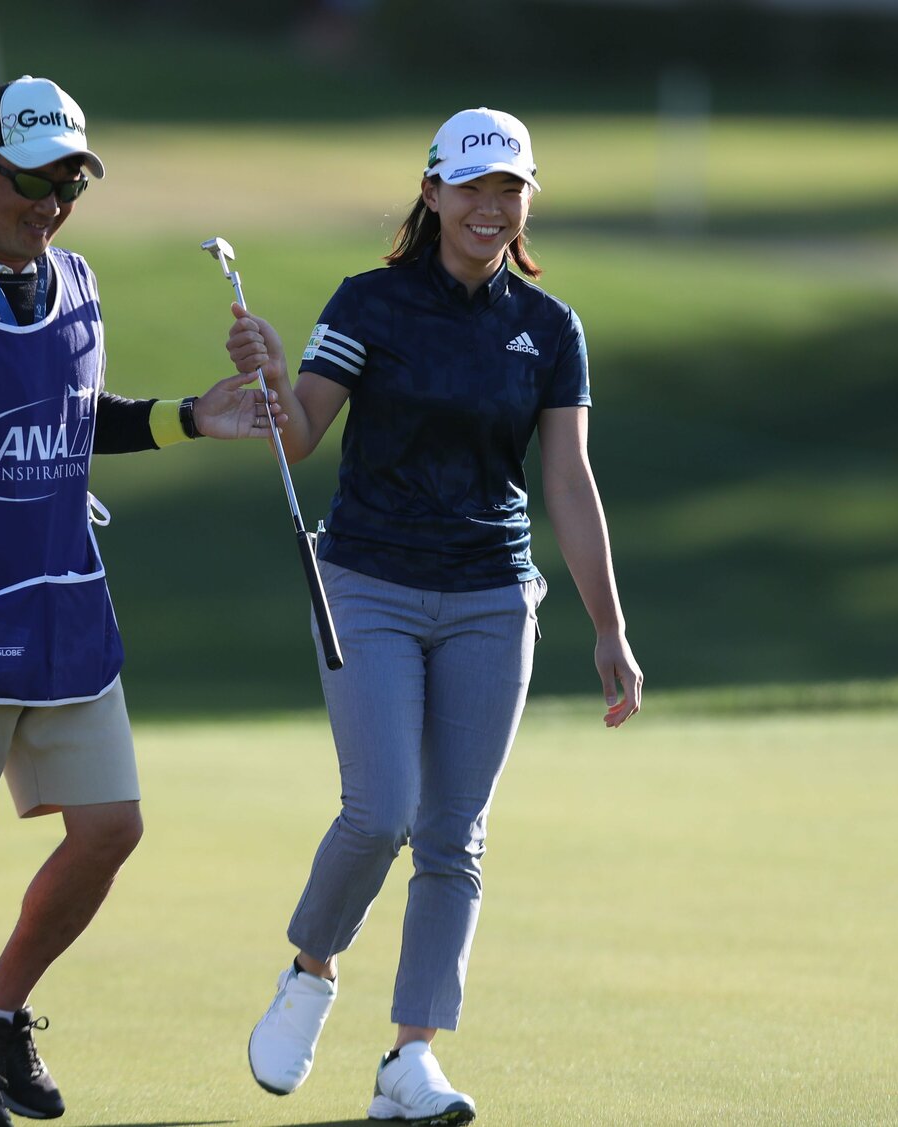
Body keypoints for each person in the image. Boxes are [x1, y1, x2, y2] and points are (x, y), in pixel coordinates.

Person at [0, 74, 282, 1127]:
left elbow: (77, 419)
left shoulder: (76, 278)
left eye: (70, 182)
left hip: (60, 594)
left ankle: (1, 1005)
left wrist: (190, 419)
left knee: (113, 825)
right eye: (31, 182)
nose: (51, 204)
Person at [226, 107, 644, 1125]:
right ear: (432, 193)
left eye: (509, 189)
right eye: (472, 188)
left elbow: (569, 483)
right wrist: (271, 380)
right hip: (367, 579)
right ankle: (313, 969)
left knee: (454, 835)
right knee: (380, 811)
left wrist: (609, 627)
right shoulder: (367, 303)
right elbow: (301, 437)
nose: (490, 207)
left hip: (494, 595)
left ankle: (410, 1057)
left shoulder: (549, 329)